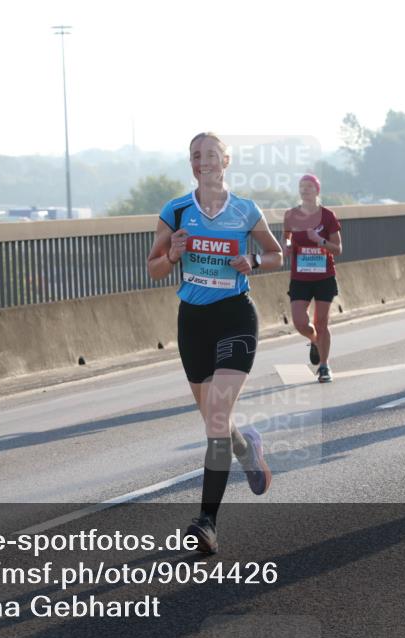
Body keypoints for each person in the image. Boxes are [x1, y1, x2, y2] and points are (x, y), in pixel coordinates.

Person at [146, 133, 284, 554]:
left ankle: (207, 522)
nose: (201, 162)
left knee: (218, 419)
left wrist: (254, 261)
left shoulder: (244, 209)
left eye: (209, 155)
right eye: (194, 156)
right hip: (193, 323)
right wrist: (172, 255)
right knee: (216, 422)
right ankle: (248, 449)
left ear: (225, 161)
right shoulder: (176, 210)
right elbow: (152, 268)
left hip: (235, 317)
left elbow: (277, 254)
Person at [283, 174, 343, 383]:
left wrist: (320, 241)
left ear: (317, 190)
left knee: (321, 321)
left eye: (309, 186)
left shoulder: (327, 216)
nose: (305, 190)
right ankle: (315, 341)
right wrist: (287, 247)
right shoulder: (291, 215)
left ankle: (324, 366)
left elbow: (338, 249)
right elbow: (287, 240)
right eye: (302, 186)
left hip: (324, 276)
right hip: (300, 277)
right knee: (300, 322)